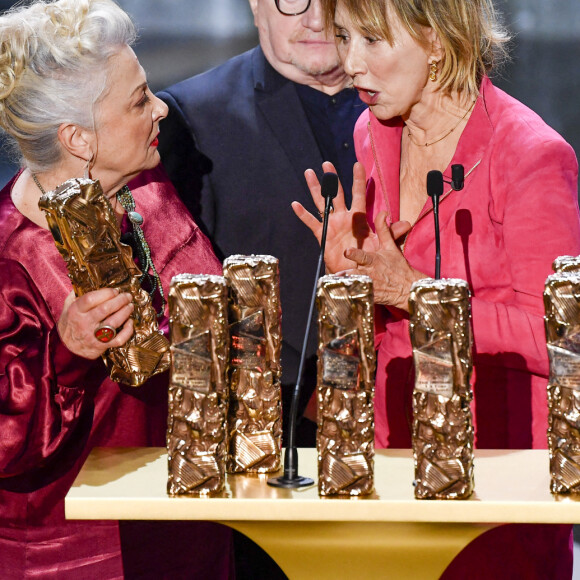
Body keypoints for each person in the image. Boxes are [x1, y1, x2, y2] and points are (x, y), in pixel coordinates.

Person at [292, 0, 580, 577]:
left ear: (439, 39)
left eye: (371, 41)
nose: (350, 63)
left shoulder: (531, 155)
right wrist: (353, 279)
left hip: (495, 475)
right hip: (382, 458)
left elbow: (560, 340)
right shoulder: (371, 132)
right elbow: (384, 299)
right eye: (344, 38)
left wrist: (412, 290)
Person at [0, 1, 233, 578]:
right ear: (77, 137)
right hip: (85, 554)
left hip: (191, 526)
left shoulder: (148, 187)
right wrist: (67, 352)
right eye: (137, 101)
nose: (160, 109)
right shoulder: (13, 255)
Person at [157, 0, 366, 447]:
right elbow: (179, 299)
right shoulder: (192, 116)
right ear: (254, 5)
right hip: (263, 423)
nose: (317, 19)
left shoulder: (418, 105)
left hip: (404, 406)